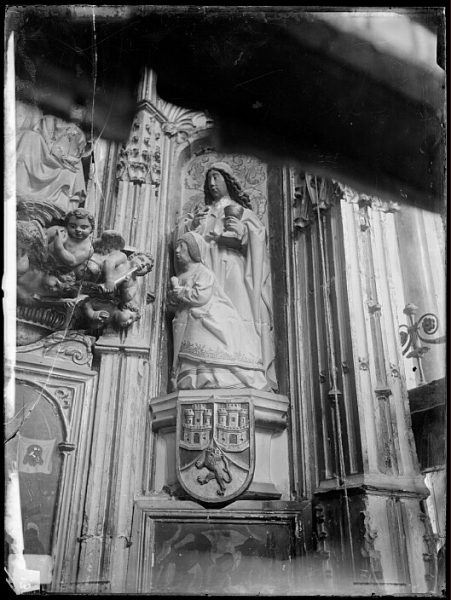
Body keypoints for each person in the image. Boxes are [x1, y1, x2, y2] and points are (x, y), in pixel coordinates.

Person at [178, 162, 277, 390]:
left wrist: (243, 234)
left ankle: (242, 372)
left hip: (232, 268)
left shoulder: (244, 213)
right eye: (209, 179)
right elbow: (185, 244)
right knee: (204, 314)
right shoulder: (201, 213)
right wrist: (193, 226)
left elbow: (257, 242)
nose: (212, 184)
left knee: (237, 315)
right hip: (207, 269)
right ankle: (206, 373)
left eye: (217, 178)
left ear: (228, 181)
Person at [168, 231, 268, 390]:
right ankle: (186, 378)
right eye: (177, 247)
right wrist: (174, 297)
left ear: (193, 250)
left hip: (206, 314)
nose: (178, 250)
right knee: (185, 352)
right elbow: (174, 305)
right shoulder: (182, 275)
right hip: (183, 317)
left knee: (207, 341)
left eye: (182, 246)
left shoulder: (203, 272)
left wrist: (180, 292)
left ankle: (209, 378)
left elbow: (201, 297)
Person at [46, 208, 95, 276]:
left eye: (83, 227)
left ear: (92, 229)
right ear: (67, 225)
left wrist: (59, 246)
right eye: (72, 226)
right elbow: (42, 240)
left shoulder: (88, 248)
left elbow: (72, 262)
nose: (78, 229)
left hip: (61, 274)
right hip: (43, 263)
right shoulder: (59, 231)